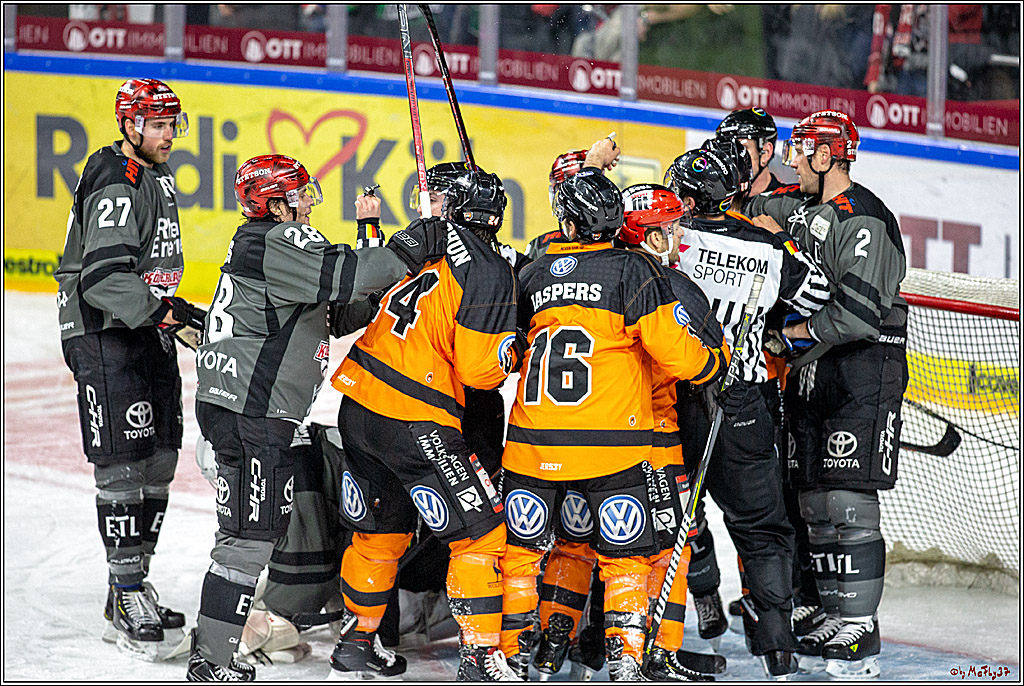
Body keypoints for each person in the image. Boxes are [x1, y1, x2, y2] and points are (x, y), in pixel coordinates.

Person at [185, 153, 448, 681]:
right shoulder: (276, 243)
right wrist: (424, 233)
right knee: (245, 543)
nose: (309, 202)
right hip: (250, 416)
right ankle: (210, 660)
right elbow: (358, 275)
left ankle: (216, 651)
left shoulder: (268, 248)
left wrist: (373, 230)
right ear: (275, 201)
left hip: (246, 413)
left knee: (250, 538)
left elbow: (351, 308)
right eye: (301, 194)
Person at [500, 140, 731, 681]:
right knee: (637, 555)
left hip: (534, 444)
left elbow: (503, 356)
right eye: (665, 229)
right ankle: (634, 658)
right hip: (625, 445)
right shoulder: (637, 273)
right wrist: (716, 363)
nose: (673, 239)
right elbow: (683, 358)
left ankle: (519, 651)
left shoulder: (532, 271)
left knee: (537, 551)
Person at [328, 169, 523, 682]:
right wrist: (517, 349)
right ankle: (481, 659)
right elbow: (482, 370)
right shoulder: (488, 268)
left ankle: (356, 641)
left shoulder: (425, 245)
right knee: (480, 536)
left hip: (359, 405)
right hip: (417, 419)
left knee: (378, 535)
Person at [746, 110, 908, 680]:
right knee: (814, 502)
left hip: (864, 368)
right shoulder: (807, 209)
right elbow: (753, 212)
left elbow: (861, 312)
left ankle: (861, 624)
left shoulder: (862, 217)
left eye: (802, 150)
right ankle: (834, 611)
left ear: (826, 156)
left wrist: (790, 334)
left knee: (848, 500)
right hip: (816, 370)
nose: (793, 161)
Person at [666, 145, 831, 679]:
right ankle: (777, 650)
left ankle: (659, 634)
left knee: (664, 521)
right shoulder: (766, 243)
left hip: (672, 399)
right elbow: (816, 296)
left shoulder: (670, 239)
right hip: (744, 399)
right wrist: (775, 245)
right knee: (762, 529)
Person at [55, 77, 200, 661]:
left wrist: (175, 310)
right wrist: (166, 314)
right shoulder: (118, 176)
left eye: (172, 123)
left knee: (161, 452)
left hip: (142, 326)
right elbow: (104, 278)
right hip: (104, 330)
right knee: (123, 457)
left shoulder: (155, 176)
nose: (169, 134)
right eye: (158, 125)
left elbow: (148, 268)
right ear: (131, 126)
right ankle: (126, 586)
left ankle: (132, 582)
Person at [715, 107, 826, 640]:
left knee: (777, 496)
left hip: (770, 373)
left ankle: (789, 598)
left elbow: (808, 290)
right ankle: (739, 595)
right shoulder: (711, 194)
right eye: (732, 144)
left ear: (766, 149)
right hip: (714, 378)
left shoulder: (790, 199)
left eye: (748, 145)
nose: (739, 155)